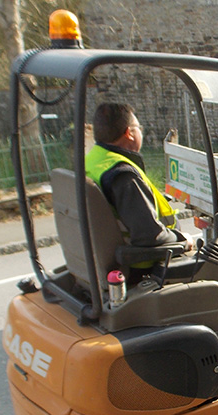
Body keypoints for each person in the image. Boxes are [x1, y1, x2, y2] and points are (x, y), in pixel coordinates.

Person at [85, 103, 185, 288]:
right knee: (210, 270)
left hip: (102, 262)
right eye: (139, 128)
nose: (141, 133)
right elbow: (150, 236)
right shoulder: (123, 175)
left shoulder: (93, 161)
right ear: (129, 133)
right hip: (140, 269)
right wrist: (183, 240)